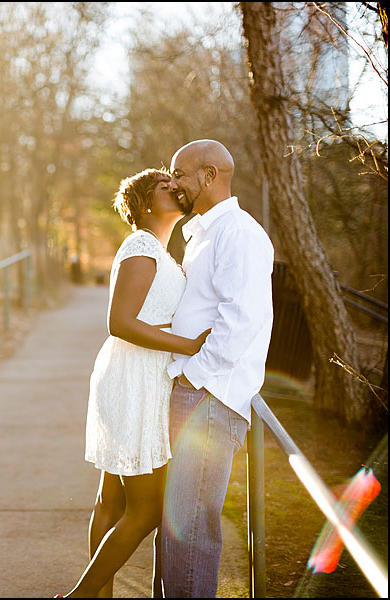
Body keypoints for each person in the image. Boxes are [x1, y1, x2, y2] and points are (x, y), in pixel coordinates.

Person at [59, 168, 209, 598]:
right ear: (145, 204)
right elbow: (120, 322)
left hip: (137, 374)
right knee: (146, 511)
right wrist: (187, 344)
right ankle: (80, 596)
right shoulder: (142, 244)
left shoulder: (162, 252)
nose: (175, 188)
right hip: (134, 378)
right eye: (165, 186)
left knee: (112, 500)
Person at [160, 139, 274, 597]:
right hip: (193, 394)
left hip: (209, 399)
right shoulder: (203, 234)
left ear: (209, 176)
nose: (173, 184)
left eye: (180, 174)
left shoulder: (239, 233)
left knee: (191, 529)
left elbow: (240, 319)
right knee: (176, 528)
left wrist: (194, 377)